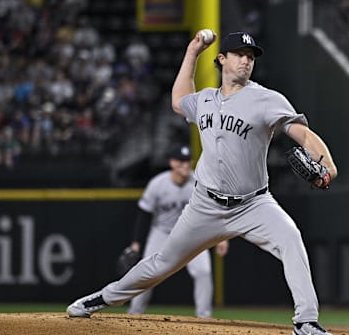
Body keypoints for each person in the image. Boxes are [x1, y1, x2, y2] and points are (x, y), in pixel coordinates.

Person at [66, 30, 338, 335]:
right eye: (239, 55)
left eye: (250, 57)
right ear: (222, 59)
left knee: (291, 238)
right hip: (205, 205)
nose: (246, 61)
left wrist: (327, 164)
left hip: (253, 204)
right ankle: (102, 298)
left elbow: (302, 133)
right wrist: (192, 52)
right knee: (161, 264)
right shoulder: (206, 99)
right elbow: (179, 101)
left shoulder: (266, 99)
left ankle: (306, 321)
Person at [127, 144, 229, 318]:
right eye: (181, 161)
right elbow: (144, 215)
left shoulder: (199, 182)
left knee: (203, 272)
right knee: (147, 273)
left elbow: (214, 209)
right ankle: (134, 315)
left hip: (192, 234)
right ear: (172, 163)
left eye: (187, 161)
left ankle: (205, 318)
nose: (185, 165)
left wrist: (222, 238)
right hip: (162, 233)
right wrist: (136, 244)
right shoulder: (157, 184)